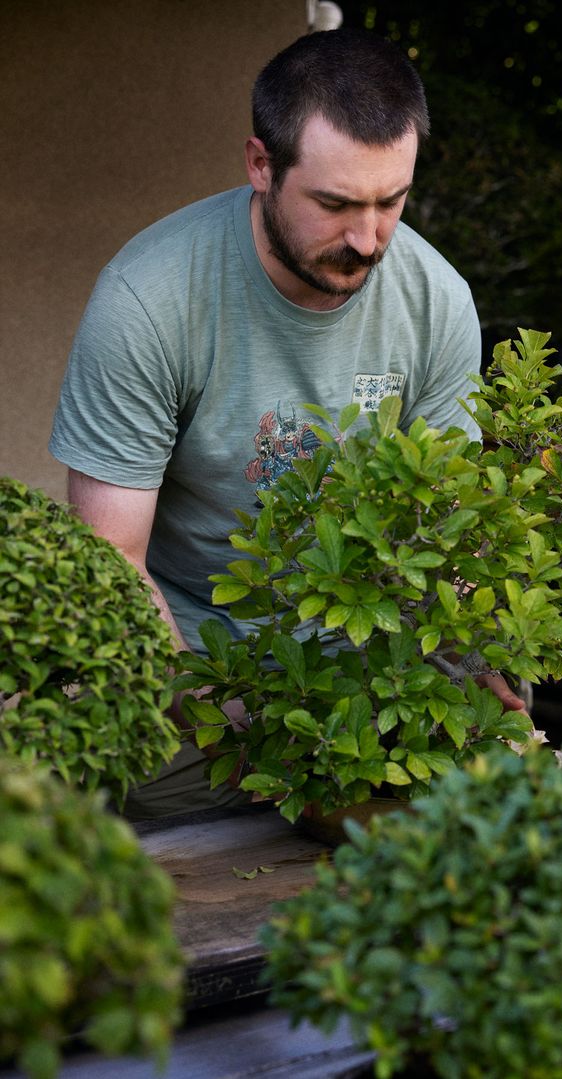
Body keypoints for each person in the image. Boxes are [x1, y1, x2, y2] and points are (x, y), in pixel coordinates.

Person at [49, 27, 526, 817]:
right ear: (261, 165)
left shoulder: (436, 299)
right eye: (335, 204)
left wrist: (471, 656)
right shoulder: (149, 301)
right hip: (196, 662)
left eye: (391, 201)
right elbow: (113, 563)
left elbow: (451, 526)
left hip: (378, 659)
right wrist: (246, 728)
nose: (369, 239)